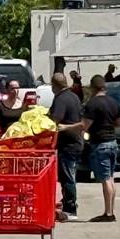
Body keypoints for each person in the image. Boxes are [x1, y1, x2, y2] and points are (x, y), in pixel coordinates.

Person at [81, 75, 120, 222]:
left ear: (92, 87)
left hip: (100, 143)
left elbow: (85, 125)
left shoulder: (92, 104)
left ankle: (108, 213)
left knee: (105, 179)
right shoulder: (113, 102)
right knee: (111, 177)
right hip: (113, 142)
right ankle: (111, 209)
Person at [48, 70, 86, 222]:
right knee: (68, 175)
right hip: (76, 141)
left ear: (54, 85)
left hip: (68, 143)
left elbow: (55, 119)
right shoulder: (73, 96)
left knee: (67, 177)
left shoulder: (61, 98)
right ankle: (67, 205)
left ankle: (70, 208)